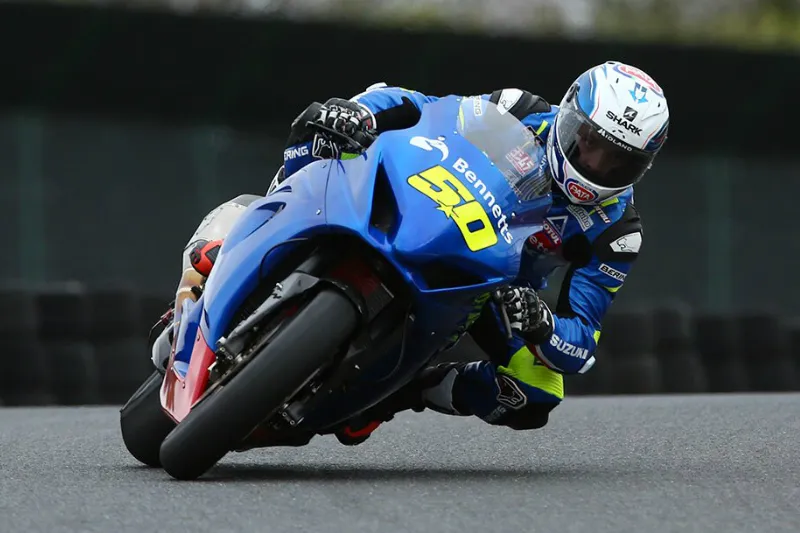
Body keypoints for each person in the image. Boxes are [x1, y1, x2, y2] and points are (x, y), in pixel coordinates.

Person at [156, 60, 669, 446]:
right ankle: (240, 238)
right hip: (428, 201)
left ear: (642, 168)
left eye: (617, 161)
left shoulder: (616, 230)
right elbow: (423, 107)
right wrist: (357, 111)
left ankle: (408, 389)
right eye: (589, 143)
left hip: (491, 284)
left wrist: (540, 324)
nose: (596, 164)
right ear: (569, 115)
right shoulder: (520, 109)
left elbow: (581, 342)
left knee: (538, 393)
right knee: (319, 134)